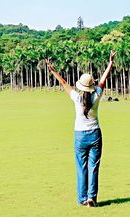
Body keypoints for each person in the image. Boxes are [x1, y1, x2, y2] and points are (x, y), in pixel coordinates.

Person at [46, 50, 115, 208]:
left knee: (81, 167)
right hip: (95, 134)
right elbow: (103, 80)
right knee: (94, 167)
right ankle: (92, 198)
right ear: (92, 85)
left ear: (81, 86)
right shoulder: (96, 95)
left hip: (80, 136)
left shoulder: (77, 98)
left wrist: (53, 70)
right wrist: (110, 63)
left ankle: (82, 199)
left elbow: (64, 83)